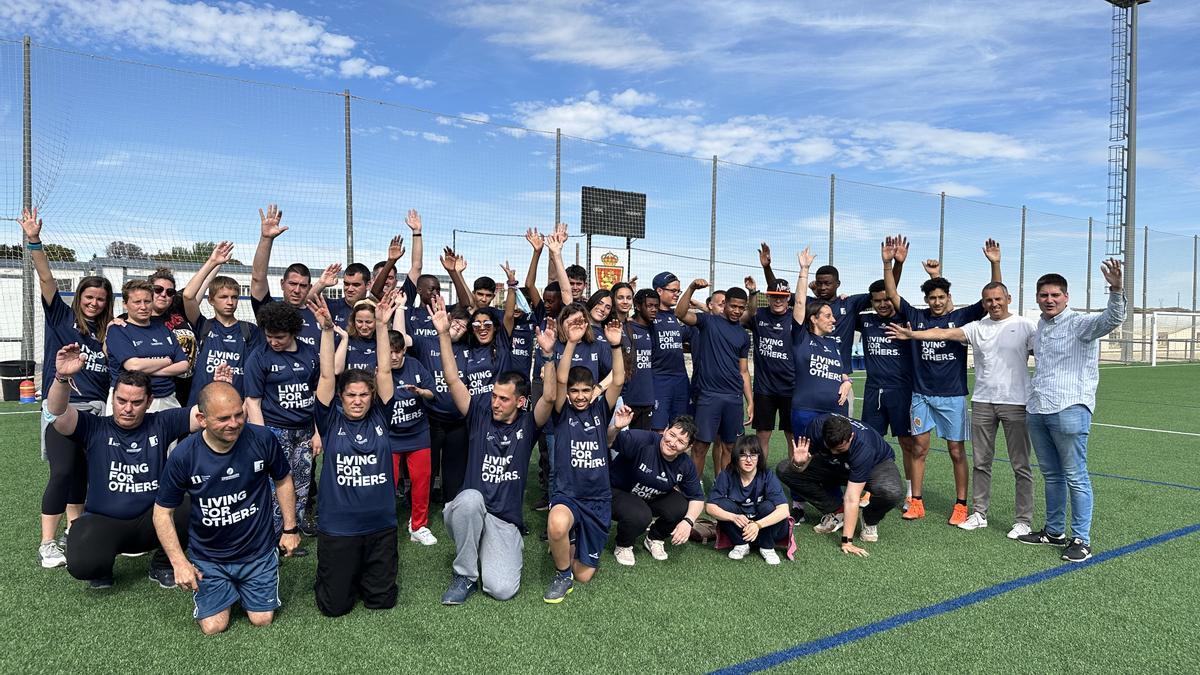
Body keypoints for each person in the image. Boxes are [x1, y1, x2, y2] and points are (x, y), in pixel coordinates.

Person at [44, 345, 215, 588]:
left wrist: (219, 387)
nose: (127, 408)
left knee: (193, 504)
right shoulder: (94, 427)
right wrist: (62, 378)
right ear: (113, 397)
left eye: (136, 402)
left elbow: (205, 414)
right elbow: (57, 414)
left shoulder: (161, 422)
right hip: (105, 521)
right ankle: (101, 567)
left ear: (149, 401)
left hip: (153, 520)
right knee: (82, 563)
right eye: (121, 400)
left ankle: (163, 564)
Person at [888, 280, 1036, 538]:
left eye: (998, 298)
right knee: (969, 459)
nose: (994, 303)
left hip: (991, 400)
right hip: (969, 399)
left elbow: (1043, 354)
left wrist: (995, 263)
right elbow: (940, 331)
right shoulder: (974, 326)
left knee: (1005, 461)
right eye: (989, 300)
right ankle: (951, 508)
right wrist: (889, 264)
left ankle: (1008, 517)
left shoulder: (1021, 325)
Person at [433, 299, 556, 605]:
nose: (495, 403)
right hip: (470, 508)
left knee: (501, 589)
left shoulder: (528, 424)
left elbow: (550, 398)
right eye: (494, 396)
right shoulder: (479, 414)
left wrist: (548, 356)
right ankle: (464, 574)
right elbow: (452, 379)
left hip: (503, 520)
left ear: (520, 402)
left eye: (503, 399)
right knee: (469, 500)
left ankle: (498, 544)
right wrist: (444, 335)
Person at [153, 381, 300, 635]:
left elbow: (283, 479)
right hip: (209, 558)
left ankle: (249, 583)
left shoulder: (262, 439)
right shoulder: (184, 455)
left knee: (262, 619)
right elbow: (162, 513)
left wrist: (290, 528)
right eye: (223, 418)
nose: (234, 423)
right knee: (214, 627)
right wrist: (179, 562)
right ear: (202, 419)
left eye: (238, 414)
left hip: (257, 553)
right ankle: (225, 587)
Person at [882, 239, 1001, 523]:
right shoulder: (916, 316)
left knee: (956, 451)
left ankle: (961, 505)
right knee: (919, 448)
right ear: (926, 300)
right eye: (931, 298)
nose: (936, 302)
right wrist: (889, 263)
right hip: (921, 395)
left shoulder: (962, 317)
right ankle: (916, 501)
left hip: (953, 396)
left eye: (940, 297)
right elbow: (891, 293)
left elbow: (993, 295)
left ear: (948, 296)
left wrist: (995, 263)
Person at [21, 208, 113, 569]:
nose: (94, 303)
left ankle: (74, 532)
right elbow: (46, 278)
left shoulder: (109, 333)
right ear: (80, 297)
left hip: (95, 414)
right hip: (63, 408)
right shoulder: (61, 317)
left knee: (82, 475)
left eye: (100, 299)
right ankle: (47, 543)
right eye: (89, 297)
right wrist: (34, 240)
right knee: (61, 471)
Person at [1017, 260, 1126, 563]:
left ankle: (1081, 540)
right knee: (1051, 475)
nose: (1049, 300)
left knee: (1076, 476)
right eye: (1044, 295)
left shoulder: (1079, 323)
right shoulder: (1040, 326)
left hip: (1069, 408)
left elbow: (1112, 318)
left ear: (1066, 297)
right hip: (1038, 408)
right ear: (1037, 298)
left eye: (1055, 295)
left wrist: (1116, 289)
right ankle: (1054, 532)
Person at [307, 294, 400, 616]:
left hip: (380, 526)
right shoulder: (330, 419)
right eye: (351, 395)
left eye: (363, 394)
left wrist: (383, 327)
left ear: (372, 396)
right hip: (339, 527)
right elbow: (326, 376)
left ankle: (361, 572)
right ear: (341, 397)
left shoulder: (381, 417)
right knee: (335, 607)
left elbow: (384, 371)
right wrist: (326, 331)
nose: (357, 400)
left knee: (381, 601)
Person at [543, 315, 625, 602]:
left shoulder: (600, 409)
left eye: (585, 391)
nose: (579, 396)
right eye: (574, 391)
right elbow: (561, 378)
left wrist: (616, 346)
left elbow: (618, 379)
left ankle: (574, 538)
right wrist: (571, 342)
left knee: (585, 575)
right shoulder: (562, 412)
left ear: (593, 391)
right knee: (556, 525)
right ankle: (561, 574)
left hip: (597, 499)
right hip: (568, 494)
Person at [244, 301, 320, 551]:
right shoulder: (259, 356)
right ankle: (270, 541)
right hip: (275, 430)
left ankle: (290, 535)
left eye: (280, 337)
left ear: (293, 332)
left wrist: (318, 432)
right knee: (275, 486)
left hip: (305, 431)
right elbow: (253, 402)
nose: (273, 342)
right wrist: (262, 438)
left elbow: (317, 395)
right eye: (269, 336)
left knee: (302, 486)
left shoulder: (310, 354)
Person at [776, 414, 903, 555]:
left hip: (875, 465)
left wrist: (847, 542)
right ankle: (838, 510)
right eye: (830, 447)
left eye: (840, 449)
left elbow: (852, 497)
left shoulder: (863, 446)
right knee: (785, 470)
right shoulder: (817, 427)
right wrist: (798, 463)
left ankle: (869, 518)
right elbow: (800, 470)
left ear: (851, 437)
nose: (834, 452)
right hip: (834, 464)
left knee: (891, 491)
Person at [854, 257, 917, 509]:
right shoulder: (866, 321)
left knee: (907, 443)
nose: (882, 304)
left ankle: (912, 493)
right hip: (873, 391)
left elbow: (894, 290)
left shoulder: (906, 319)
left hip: (902, 391)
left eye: (886, 299)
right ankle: (870, 489)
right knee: (869, 442)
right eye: (877, 301)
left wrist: (895, 266)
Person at [607, 412, 705, 566]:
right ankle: (624, 545)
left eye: (681, 441)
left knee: (681, 506)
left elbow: (697, 498)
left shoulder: (685, 464)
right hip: (615, 492)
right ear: (665, 430)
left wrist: (688, 521)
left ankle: (654, 538)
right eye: (672, 435)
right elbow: (608, 441)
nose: (673, 443)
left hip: (648, 497)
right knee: (641, 514)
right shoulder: (643, 440)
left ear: (688, 447)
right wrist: (616, 428)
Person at [677, 279, 752, 477]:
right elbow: (680, 313)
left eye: (741, 308)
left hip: (734, 398)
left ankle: (723, 488)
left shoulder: (743, 335)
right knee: (700, 446)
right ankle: (694, 487)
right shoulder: (708, 322)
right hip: (709, 396)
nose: (737, 311)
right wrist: (691, 288)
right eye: (733, 306)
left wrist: (750, 401)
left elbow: (744, 371)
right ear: (725, 304)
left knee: (730, 447)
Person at [181, 241, 264, 401]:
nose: (230, 302)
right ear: (211, 300)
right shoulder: (203, 325)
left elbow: (256, 371)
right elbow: (188, 295)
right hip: (201, 405)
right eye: (223, 297)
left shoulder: (249, 330)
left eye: (234, 297)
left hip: (236, 404)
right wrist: (212, 262)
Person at [383, 327, 438, 546]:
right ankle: (384, 524)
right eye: (389, 352)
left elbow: (433, 392)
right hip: (390, 436)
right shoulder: (377, 369)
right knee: (386, 482)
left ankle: (418, 526)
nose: (394, 356)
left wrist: (420, 392)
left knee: (422, 481)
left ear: (404, 350)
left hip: (418, 432)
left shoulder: (415, 365)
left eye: (398, 351)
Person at [790, 247, 853, 433]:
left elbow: (839, 372)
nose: (833, 320)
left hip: (836, 411)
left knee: (836, 450)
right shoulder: (801, 338)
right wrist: (804, 270)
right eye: (827, 316)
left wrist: (847, 381)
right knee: (805, 451)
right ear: (813, 319)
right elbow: (799, 302)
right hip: (806, 410)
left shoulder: (833, 344)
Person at [104, 279, 190, 410]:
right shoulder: (117, 330)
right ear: (125, 304)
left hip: (166, 397)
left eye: (147, 301)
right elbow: (133, 366)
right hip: (130, 401)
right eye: (137, 302)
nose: (143, 307)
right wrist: (166, 361)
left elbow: (183, 365)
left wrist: (150, 370)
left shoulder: (163, 329)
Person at [706, 435, 790, 565]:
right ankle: (741, 544)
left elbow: (784, 510)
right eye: (743, 455)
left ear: (759, 457)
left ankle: (767, 547)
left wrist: (757, 525)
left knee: (768, 506)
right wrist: (733, 517)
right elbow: (710, 507)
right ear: (736, 457)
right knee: (723, 504)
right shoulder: (727, 475)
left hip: (765, 527)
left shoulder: (767, 475)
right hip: (740, 527)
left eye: (753, 455)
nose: (749, 460)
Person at [249, 204, 321, 348]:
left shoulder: (319, 315)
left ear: (309, 288)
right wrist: (266, 239)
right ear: (282, 284)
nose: (297, 290)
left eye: (303, 286)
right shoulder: (269, 310)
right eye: (292, 284)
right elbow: (258, 278)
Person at [743, 276, 796, 462]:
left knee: (792, 436)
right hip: (764, 388)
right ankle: (760, 475)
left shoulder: (797, 317)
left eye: (782, 296)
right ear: (767, 297)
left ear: (788, 297)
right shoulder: (759, 315)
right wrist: (752, 293)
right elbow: (747, 314)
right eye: (774, 296)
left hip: (791, 388)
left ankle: (794, 477)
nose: (778, 300)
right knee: (762, 436)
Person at [145, 266, 199, 405]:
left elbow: (193, 291)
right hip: (161, 391)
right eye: (158, 289)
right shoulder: (136, 320)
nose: (164, 294)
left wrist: (215, 262)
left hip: (189, 387)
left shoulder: (178, 310)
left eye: (170, 292)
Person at [649, 272, 694, 432]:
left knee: (681, 428)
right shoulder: (649, 317)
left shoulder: (679, 316)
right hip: (658, 379)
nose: (676, 294)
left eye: (678, 291)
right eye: (673, 291)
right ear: (659, 291)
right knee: (658, 429)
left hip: (680, 379)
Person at [620, 289, 659, 430]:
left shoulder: (654, 330)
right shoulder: (625, 327)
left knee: (641, 441)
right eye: (650, 306)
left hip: (646, 399)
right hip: (626, 399)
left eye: (656, 306)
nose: (654, 310)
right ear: (637, 306)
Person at [312, 262, 373, 334]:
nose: (350, 289)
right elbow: (306, 302)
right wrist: (321, 283)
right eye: (346, 284)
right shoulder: (331, 306)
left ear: (368, 285)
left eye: (356, 285)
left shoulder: (374, 309)